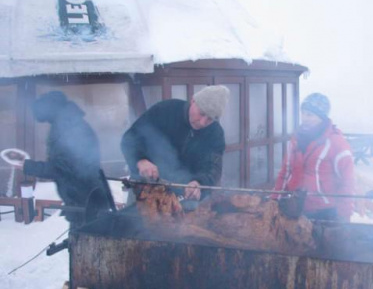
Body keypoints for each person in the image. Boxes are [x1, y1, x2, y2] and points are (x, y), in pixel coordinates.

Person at [121, 85, 229, 201]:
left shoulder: (215, 133)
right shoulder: (165, 110)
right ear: (193, 101)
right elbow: (130, 138)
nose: (202, 122)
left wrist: (199, 182)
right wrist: (140, 160)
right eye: (202, 113)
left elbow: (213, 167)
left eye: (210, 119)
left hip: (184, 197)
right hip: (144, 189)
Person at [20, 91, 110, 227]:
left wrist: (29, 166)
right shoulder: (66, 123)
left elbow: (63, 168)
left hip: (87, 200)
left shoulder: (71, 129)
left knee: (88, 243)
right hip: (82, 200)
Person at [273, 93, 355, 222]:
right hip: (295, 206)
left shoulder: (337, 144)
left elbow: (347, 182)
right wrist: (275, 199)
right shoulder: (295, 140)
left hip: (325, 211)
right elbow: (285, 172)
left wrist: (344, 215)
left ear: (321, 117)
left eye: (310, 115)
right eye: (303, 113)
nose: (304, 118)